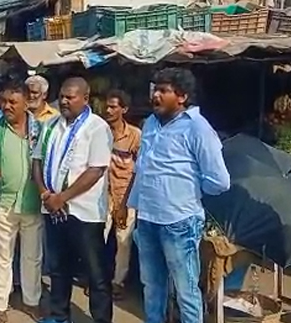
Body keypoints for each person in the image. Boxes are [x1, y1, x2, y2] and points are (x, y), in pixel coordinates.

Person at [118, 68, 230, 323]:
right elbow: (142, 169)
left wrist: (185, 193)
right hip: (147, 220)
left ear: (182, 96)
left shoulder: (198, 128)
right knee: (152, 287)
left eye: (163, 91)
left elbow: (220, 181)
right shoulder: (150, 125)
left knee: (186, 290)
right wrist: (128, 204)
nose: (155, 95)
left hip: (179, 222)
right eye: (154, 89)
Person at [32, 77, 113, 323]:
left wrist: (63, 197)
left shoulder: (97, 128)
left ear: (85, 98)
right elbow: (37, 160)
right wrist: (45, 194)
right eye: (62, 96)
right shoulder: (50, 125)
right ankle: (59, 316)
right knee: (58, 268)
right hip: (52, 209)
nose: (65, 101)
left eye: (71, 97)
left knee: (95, 273)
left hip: (84, 212)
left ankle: (100, 319)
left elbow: (96, 170)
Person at [0, 81, 43, 323]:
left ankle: (31, 301)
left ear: (27, 102)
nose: (7, 106)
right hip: (2, 204)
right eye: (3, 101)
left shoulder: (41, 130)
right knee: (2, 257)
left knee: (32, 256)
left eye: (13, 102)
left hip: (33, 203)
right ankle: (0, 306)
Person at [102, 90, 140, 300]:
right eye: (107, 106)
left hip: (126, 194)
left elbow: (138, 170)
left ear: (124, 109)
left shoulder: (134, 135)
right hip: (102, 194)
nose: (108, 110)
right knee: (98, 237)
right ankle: (97, 279)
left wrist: (125, 203)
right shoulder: (100, 131)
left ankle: (118, 282)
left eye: (113, 106)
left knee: (123, 241)